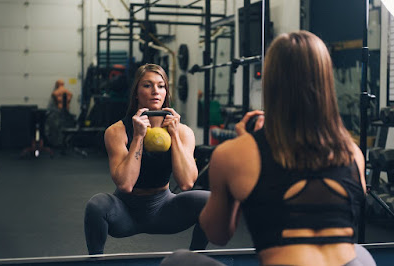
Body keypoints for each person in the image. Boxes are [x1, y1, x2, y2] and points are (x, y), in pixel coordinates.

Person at [161, 31, 376, 265]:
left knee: (178, 261)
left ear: (271, 81)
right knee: (361, 253)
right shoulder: (352, 152)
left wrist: (243, 149)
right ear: (326, 81)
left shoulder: (232, 154)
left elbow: (217, 235)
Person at [84, 63, 210, 255]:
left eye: (161, 86)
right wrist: (138, 136)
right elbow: (125, 185)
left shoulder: (183, 132)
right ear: (136, 92)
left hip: (164, 209)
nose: (155, 91)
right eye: (147, 85)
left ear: (166, 92)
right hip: (125, 212)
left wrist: (174, 135)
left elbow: (186, 183)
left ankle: (195, 259)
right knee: (96, 205)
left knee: (210, 200)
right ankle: (96, 262)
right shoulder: (116, 131)